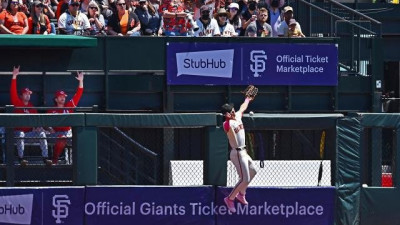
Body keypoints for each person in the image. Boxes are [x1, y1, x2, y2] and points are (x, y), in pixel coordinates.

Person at [10, 66, 52, 166]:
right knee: (20, 134)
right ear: (21, 96)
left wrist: (38, 128)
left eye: (29, 94)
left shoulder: (31, 107)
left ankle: (45, 158)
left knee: (41, 134)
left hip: (29, 134)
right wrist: (14, 76)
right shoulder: (17, 102)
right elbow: (12, 92)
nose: (28, 95)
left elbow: (37, 120)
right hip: (16, 133)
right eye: (25, 94)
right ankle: (21, 159)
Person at [221, 96, 257, 213]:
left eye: (232, 110)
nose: (233, 111)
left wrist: (247, 99)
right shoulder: (227, 123)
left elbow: (242, 108)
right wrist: (227, 118)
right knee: (244, 179)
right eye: (230, 111)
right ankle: (230, 199)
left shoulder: (236, 116)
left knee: (254, 171)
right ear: (226, 114)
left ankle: (241, 194)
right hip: (237, 153)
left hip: (244, 151)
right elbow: (227, 126)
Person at [47, 71, 84, 165]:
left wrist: (80, 81)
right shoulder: (51, 110)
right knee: (60, 138)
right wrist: (49, 128)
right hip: (55, 134)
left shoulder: (69, 106)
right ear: (56, 99)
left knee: (77, 139)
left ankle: (75, 163)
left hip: (67, 133)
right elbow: (45, 123)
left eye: (64, 96)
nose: (63, 98)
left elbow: (78, 94)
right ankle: (54, 160)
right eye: (60, 96)